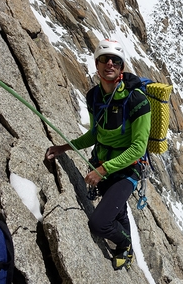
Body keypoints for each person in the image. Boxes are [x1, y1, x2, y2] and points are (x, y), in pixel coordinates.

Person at [45, 39, 151, 270]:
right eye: (104, 59)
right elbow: (94, 135)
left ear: (122, 67)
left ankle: (126, 245)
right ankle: (124, 245)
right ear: (97, 64)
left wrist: (102, 170)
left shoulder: (137, 101)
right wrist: (63, 148)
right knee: (118, 210)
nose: (109, 63)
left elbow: (138, 148)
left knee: (99, 223)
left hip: (126, 171)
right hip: (102, 163)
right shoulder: (94, 96)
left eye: (115, 60)